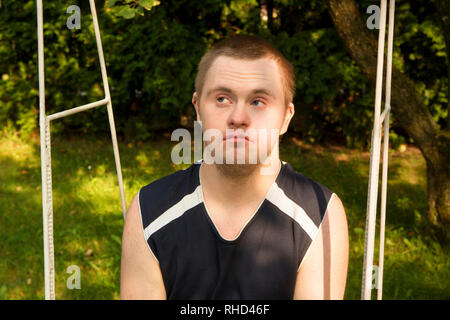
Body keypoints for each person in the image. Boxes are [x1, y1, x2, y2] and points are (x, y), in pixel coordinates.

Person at [120, 35, 349, 300]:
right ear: (198, 109)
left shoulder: (320, 213)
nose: (238, 118)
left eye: (258, 101)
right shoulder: (149, 211)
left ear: (286, 117)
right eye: (222, 99)